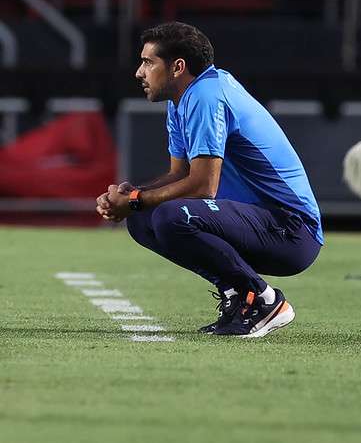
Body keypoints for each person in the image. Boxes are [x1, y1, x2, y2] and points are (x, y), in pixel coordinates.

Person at [95, 22, 323, 338]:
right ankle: (237, 296)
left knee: (170, 216)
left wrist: (134, 200)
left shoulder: (206, 95)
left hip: (292, 231)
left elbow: (204, 187)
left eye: (148, 62)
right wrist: (130, 196)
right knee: (142, 219)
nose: (139, 72)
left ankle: (264, 300)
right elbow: (180, 174)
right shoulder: (183, 99)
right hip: (260, 223)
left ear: (177, 67)